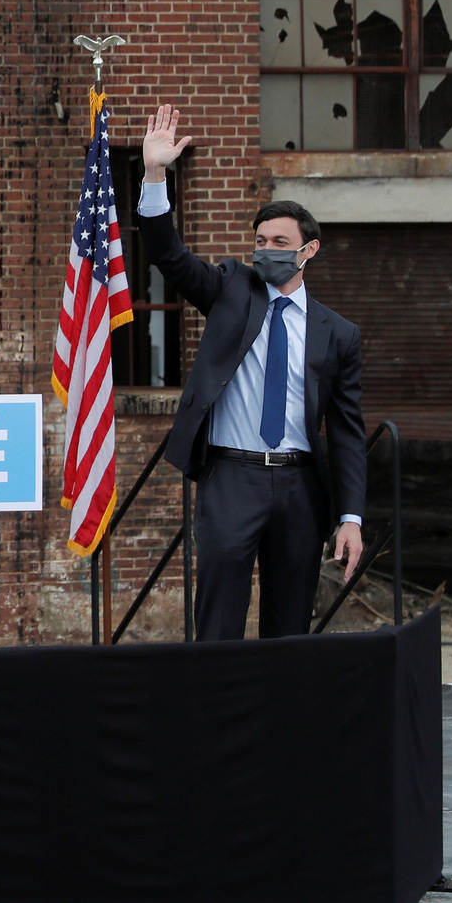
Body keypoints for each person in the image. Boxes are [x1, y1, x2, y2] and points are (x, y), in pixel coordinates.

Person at [137, 105, 366, 640]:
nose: (266, 251)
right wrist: (154, 174)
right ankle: (212, 720)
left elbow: (350, 432)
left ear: (308, 251)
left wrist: (351, 516)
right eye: (260, 241)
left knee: (289, 627)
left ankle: (281, 724)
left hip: (299, 486)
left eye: (280, 244)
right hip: (230, 478)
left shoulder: (338, 334)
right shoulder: (230, 289)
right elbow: (168, 256)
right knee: (217, 620)